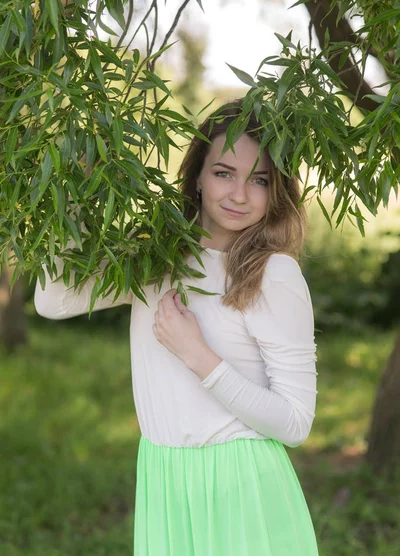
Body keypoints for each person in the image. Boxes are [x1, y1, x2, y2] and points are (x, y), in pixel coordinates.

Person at [34, 99, 319, 555]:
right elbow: (54, 299)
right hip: (164, 479)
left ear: (278, 190)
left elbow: (295, 422)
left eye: (259, 180)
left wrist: (198, 356)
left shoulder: (274, 274)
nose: (239, 195)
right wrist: (71, 194)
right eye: (224, 173)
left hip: (241, 487)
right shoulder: (155, 257)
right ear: (197, 177)